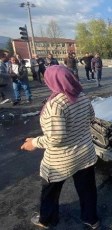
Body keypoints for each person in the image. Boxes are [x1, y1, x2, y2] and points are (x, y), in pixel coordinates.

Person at [20, 65, 99, 229]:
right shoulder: (81, 95)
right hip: (85, 153)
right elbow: (91, 117)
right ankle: (91, 219)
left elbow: (56, 138)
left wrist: (33, 143)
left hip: (60, 160)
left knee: (49, 192)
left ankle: (46, 220)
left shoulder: (55, 105)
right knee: (87, 190)